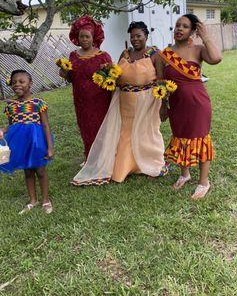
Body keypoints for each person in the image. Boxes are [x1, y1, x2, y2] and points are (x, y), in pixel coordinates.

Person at [71, 21, 168, 186]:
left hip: (147, 101)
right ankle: (126, 166)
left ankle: (151, 162)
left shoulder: (155, 54)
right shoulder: (125, 53)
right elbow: (116, 74)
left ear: (146, 36)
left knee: (147, 132)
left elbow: (161, 79)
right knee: (125, 133)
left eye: (139, 36)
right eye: (132, 36)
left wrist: (164, 104)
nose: (135, 39)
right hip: (125, 100)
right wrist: (107, 74)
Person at [157, 14, 222, 199]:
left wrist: (206, 36)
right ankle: (185, 174)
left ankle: (204, 182)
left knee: (201, 139)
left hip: (198, 104)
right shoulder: (164, 55)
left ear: (193, 31)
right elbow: (161, 83)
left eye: (185, 26)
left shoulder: (199, 49)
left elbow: (216, 58)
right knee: (180, 138)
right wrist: (163, 106)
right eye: (178, 25)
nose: (179, 29)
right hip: (177, 105)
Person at [0, 70, 54, 214]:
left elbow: (45, 125)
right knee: (27, 171)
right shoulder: (10, 106)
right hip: (21, 142)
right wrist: (3, 131)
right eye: (14, 82)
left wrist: (50, 147)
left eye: (21, 81)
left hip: (37, 141)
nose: (17, 84)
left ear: (30, 84)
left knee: (40, 170)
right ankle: (33, 200)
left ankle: (46, 200)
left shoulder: (38, 103)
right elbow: (12, 125)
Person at [59, 15, 112, 162]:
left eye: (87, 36)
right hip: (81, 100)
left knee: (101, 127)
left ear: (93, 37)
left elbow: (111, 79)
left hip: (101, 100)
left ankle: (104, 157)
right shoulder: (73, 56)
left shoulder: (103, 56)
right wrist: (64, 73)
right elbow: (71, 78)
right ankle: (90, 156)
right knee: (85, 127)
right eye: (81, 36)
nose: (84, 39)